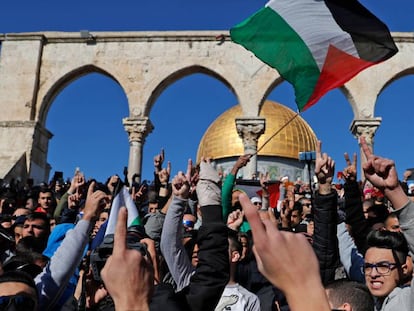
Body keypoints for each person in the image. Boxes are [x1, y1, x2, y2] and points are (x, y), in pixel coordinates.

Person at [360, 136, 414, 310]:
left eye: (384, 266)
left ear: (404, 269)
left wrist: (394, 191)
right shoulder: (373, 303)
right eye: (368, 267)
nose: (373, 274)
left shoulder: (407, 299)